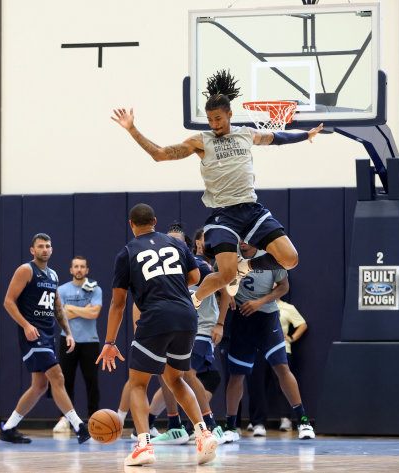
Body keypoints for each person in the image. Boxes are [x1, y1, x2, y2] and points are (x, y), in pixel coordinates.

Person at [111, 70, 323, 306]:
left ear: (229, 114)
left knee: (290, 259)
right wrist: (132, 129)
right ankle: (197, 298)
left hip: (252, 210)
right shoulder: (201, 141)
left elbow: (276, 137)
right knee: (226, 275)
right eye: (210, 120)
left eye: (218, 119)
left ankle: (247, 266)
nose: (214, 124)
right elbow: (160, 155)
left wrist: (306, 134)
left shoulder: (246, 134)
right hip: (224, 215)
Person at [97, 204, 218, 466]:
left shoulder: (126, 253)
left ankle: (144, 445)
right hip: (187, 316)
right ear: (154, 221)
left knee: (139, 384)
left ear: (131, 225)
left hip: (155, 317)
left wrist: (109, 342)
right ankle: (203, 432)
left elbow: (118, 303)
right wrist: (171, 286)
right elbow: (195, 276)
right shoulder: (177, 244)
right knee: (175, 379)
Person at [0, 233, 90, 444]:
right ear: (33, 250)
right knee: (57, 376)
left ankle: (9, 428)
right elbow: (8, 301)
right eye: (40, 246)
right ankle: (79, 426)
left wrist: (68, 332)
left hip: (48, 335)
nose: (45, 249)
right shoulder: (25, 270)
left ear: (52, 249)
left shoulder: (53, 275)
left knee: (39, 385)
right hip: (32, 334)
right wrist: (26, 325)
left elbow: (57, 306)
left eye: (48, 246)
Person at [221, 240, 314, 442]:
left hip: (267, 319)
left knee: (282, 367)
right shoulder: (230, 255)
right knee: (236, 375)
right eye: (240, 238)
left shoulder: (270, 256)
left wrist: (261, 301)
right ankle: (230, 426)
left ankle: (304, 422)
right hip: (242, 320)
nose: (243, 243)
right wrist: (225, 291)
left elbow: (283, 287)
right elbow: (217, 278)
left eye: (247, 239)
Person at [151, 222, 226, 445]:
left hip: (201, 328)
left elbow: (226, 287)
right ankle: (174, 426)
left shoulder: (200, 267)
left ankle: (210, 425)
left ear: (187, 246)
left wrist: (220, 323)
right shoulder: (161, 270)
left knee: (188, 374)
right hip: (175, 328)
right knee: (166, 374)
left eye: (176, 241)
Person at [52, 256, 103, 433]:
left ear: (87, 270)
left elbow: (95, 313)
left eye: (82, 266)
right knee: (65, 381)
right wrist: (84, 309)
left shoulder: (96, 289)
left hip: (90, 341)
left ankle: (94, 419)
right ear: (71, 270)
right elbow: (61, 314)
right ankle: (64, 419)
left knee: (92, 382)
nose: (79, 269)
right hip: (68, 339)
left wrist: (70, 309)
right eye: (76, 266)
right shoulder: (62, 289)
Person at [275, 298, 308, 432]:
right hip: (260, 349)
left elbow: (302, 324)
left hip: (283, 348)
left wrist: (291, 338)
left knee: (282, 383)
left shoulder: (287, 307)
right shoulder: (258, 304)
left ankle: (292, 419)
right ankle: (257, 423)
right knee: (257, 386)